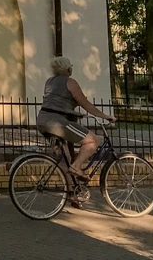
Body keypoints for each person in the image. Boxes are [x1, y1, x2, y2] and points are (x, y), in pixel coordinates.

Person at [36, 56, 115, 190]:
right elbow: (86, 104)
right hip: (57, 123)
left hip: (43, 121)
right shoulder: (70, 82)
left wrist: (74, 113)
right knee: (93, 141)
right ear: (68, 68)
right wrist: (105, 116)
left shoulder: (49, 82)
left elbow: (56, 103)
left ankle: (71, 192)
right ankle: (77, 167)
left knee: (64, 158)